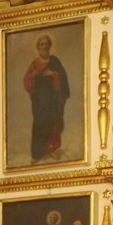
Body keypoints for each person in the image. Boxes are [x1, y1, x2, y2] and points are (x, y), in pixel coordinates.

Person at [23, 34, 70, 164]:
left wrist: (53, 74)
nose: (44, 46)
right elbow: (26, 80)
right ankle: (37, 154)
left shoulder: (55, 61)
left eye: (46, 44)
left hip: (53, 100)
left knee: (53, 122)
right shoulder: (35, 63)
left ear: (50, 46)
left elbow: (63, 76)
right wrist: (33, 75)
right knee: (39, 124)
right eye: (42, 44)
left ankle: (51, 150)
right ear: (38, 47)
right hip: (39, 102)